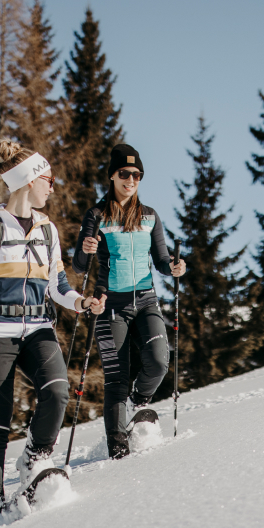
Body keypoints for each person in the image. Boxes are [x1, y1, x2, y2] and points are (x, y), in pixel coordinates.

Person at [0, 139, 105, 521]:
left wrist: (81, 303)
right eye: (48, 179)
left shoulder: (48, 230)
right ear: (29, 180)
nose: (53, 187)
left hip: (38, 327)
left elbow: (58, 285)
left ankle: (35, 457)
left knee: (57, 391)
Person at [73, 143, 186, 459]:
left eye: (137, 175)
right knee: (116, 379)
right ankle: (118, 448)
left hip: (147, 300)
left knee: (159, 361)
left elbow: (163, 261)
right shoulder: (97, 216)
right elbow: (80, 266)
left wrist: (176, 267)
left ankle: (140, 402)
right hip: (110, 305)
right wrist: (86, 248)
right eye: (125, 173)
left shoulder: (149, 216)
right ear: (112, 175)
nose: (131, 180)